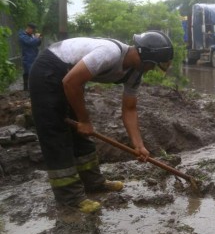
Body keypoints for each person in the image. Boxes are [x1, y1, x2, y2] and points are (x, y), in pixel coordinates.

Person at [28, 31, 174, 213]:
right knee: (56, 134)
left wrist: (138, 145)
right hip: (49, 71)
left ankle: (94, 183)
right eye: (153, 66)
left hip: (71, 79)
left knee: (81, 134)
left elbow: (129, 109)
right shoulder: (109, 53)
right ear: (145, 57)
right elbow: (70, 82)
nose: (151, 70)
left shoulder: (135, 74)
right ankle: (70, 198)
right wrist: (84, 120)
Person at [18, 22, 42, 91]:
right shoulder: (22, 35)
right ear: (29, 28)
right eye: (33, 30)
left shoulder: (31, 35)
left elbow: (37, 44)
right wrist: (37, 38)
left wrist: (39, 39)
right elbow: (30, 42)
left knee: (31, 71)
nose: (33, 32)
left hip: (34, 56)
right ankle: (27, 87)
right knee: (28, 71)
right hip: (27, 56)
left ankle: (29, 87)